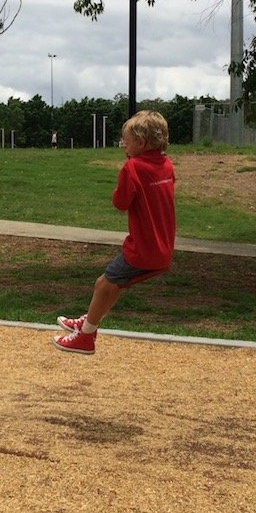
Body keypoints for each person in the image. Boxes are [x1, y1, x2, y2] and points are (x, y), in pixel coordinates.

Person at [53, 110, 175, 355]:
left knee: (103, 284)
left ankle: (85, 337)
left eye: (125, 141)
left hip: (142, 249)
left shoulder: (133, 167)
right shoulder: (166, 165)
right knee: (114, 285)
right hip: (163, 249)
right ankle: (89, 321)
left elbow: (121, 203)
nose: (123, 145)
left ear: (140, 142)